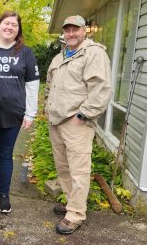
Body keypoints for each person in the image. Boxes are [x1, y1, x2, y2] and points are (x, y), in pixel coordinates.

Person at [45, 15, 112, 235]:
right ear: (63, 33)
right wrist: (47, 108)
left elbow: (101, 89)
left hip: (77, 123)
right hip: (56, 121)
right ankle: (71, 204)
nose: (71, 34)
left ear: (85, 31)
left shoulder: (94, 53)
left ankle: (75, 214)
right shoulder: (59, 57)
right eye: (67, 30)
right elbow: (49, 87)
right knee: (63, 167)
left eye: (75, 29)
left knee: (78, 170)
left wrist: (83, 115)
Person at [0, 11, 40, 214]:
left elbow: (33, 85)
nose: (9, 27)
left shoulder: (25, 52)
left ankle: (5, 195)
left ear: (18, 29)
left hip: (13, 113)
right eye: (6, 23)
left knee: (5, 155)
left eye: (14, 25)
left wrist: (30, 113)